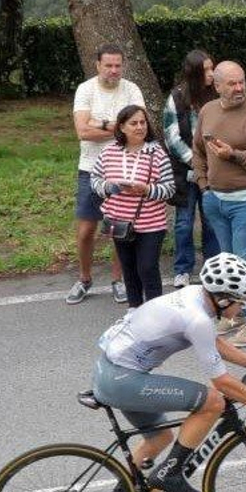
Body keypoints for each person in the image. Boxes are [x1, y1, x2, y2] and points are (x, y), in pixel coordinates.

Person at [91, 253, 246, 492]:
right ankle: (168, 474)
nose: (243, 308)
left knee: (159, 437)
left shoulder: (195, 295)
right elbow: (222, 383)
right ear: (224, 299)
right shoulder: (197, 319)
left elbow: (213, 342)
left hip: (110, 372)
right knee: (214, 402)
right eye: (240, 303)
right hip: (122, 380)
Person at [193, 60, 246, 347]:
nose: (239, 87)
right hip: (215, 199)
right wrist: (204, 187)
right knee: (227, 264)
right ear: (216, 86)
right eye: (231, 83)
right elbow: (198, 152)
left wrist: (235, 156)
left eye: (241, 81)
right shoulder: (207, 111)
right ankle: (234, 313)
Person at [69, 44, 144, 305]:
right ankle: (85, 278)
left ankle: (118, 280)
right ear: (98, 65)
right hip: (90, 169)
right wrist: (118, 127)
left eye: (118, 65)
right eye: (108, 65)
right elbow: (82, 131)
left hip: (123, 169)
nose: (114, 71)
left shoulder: (132, 89)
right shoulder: (85, 90)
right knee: (86, 230)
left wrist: (98, 123)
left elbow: (137, 129)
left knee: (118, 229)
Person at [93, 105, 175, 308]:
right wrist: (109, 187)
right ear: (122, 127)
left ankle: (156, 312)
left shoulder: (157, 153)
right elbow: (94, 180)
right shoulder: (109, 151)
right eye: (134, 123)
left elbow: (170, 188)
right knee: (129, 269)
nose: (140, 127)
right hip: (118, 222)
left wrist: (147, 190)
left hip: (151, 223)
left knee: (147, 268)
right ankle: (135, 310)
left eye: (143, 122)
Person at [163, 49, 222, 288]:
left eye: (212, 68)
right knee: (184, 222)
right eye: (206, 70)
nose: (211, 74)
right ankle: (182, 269)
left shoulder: (217, 96)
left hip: (214, 171)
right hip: (187, 173)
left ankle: (213, 267)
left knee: (211, 220)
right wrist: (197, 162)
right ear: (194, 73)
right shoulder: (176, 97)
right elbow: (172, 138)